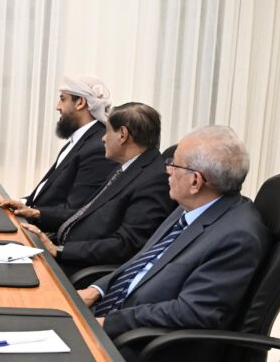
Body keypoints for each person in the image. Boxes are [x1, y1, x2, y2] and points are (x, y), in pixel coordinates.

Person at [77, 126, 270, 362]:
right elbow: (142, 262)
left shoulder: (238, 236)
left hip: (146, 355)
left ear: (195, 181)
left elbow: (191, 312)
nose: (166, 170)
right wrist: (97, 290)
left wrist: (108, 322)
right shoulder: (192, 206)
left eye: (173, 163)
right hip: (120, 320)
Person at [21, 103, 175, 277]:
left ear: (123, 135)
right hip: (66, 249)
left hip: (80, 267)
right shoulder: (127, 166)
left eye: (107, 132)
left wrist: (60, 250)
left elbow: (126, 245)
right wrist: (36, 213)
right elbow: (86, 212)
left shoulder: (153, 180)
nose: (103, 138)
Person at [0, 75, 118, 229]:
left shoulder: (97, 147)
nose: (57, 106)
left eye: (62, 99)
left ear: (80, 103)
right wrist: (22, 203)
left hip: (48, 232)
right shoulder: (81, 139)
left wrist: (34, 213)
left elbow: (77, 211)